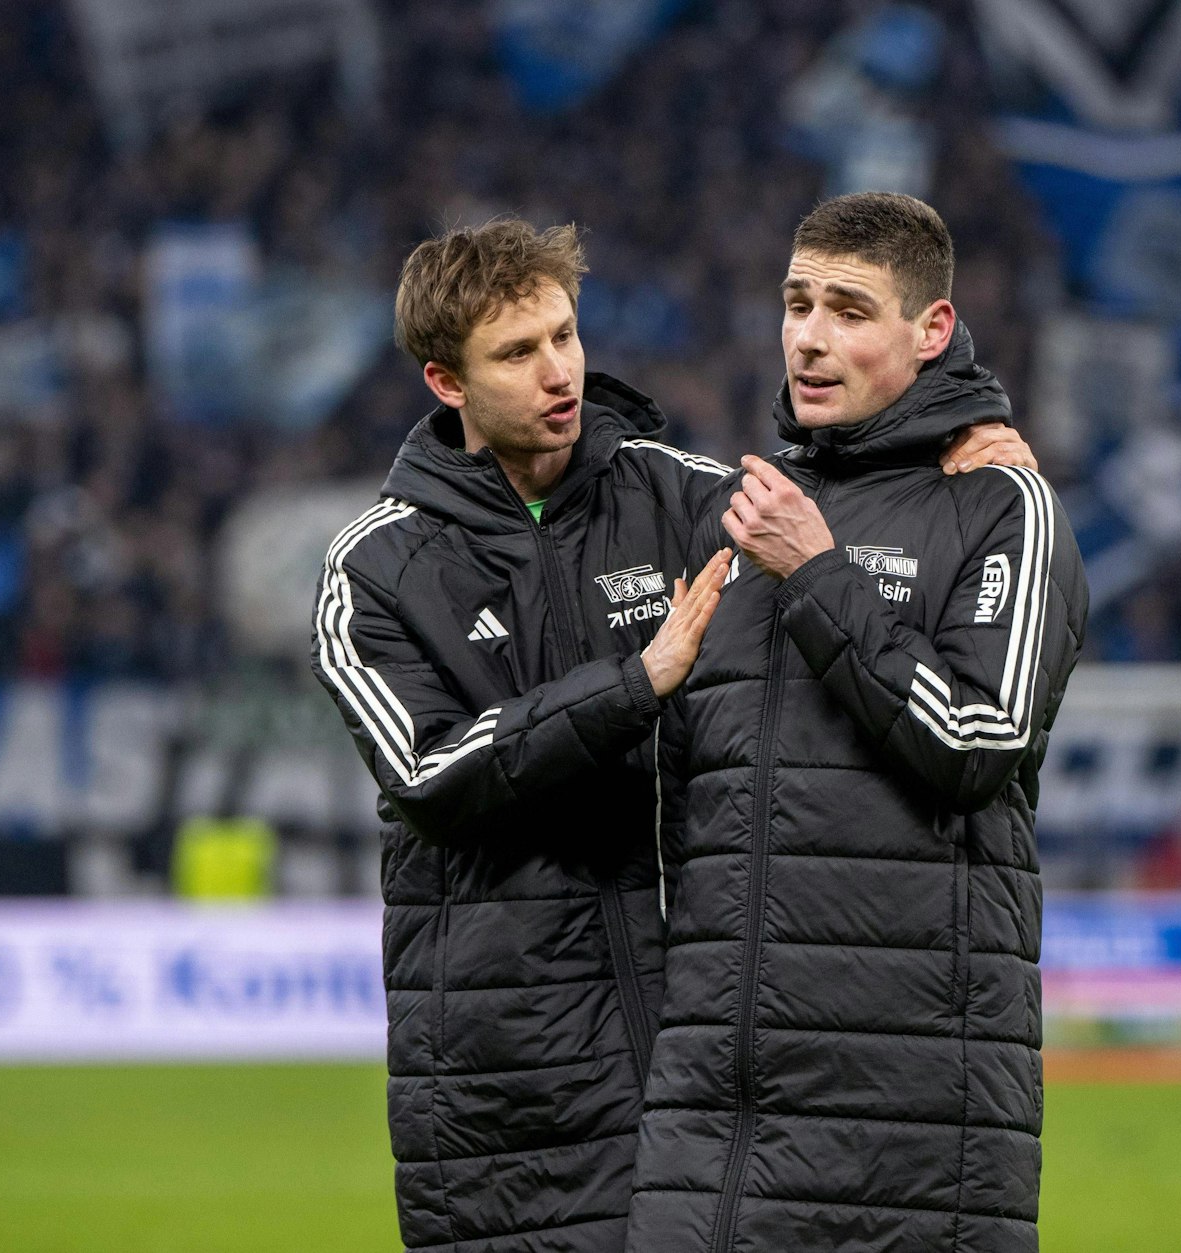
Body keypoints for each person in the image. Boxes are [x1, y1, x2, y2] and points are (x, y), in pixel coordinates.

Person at [310, 217, 1038, 1253]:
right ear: (444, 382)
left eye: (565, 335)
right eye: (517, 354)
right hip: (493, 1063)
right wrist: (632, 685)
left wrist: (954, 447)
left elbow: (841, 515)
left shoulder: (678, 498)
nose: (559, 372)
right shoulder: (374, 569)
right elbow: (427, 773)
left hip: (681, 1038)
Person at [627, 192, 1089, 1253]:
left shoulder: (997, 505)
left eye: (847, 308)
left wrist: (819, 573)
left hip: (907, 1139)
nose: (809, 335)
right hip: (709, 1129)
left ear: (929, 331)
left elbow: (978, 740)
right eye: (796, 303)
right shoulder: (731, 514)